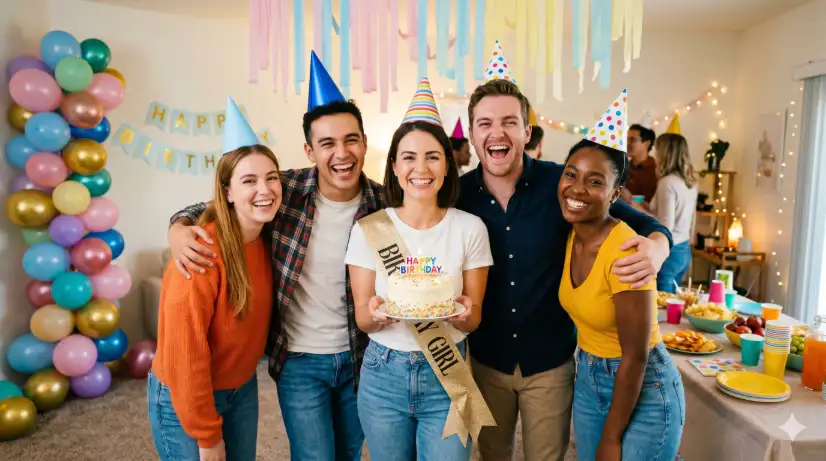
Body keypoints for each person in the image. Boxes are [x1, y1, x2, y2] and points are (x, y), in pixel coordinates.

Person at [457, 42, 673, 461]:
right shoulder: (457, 195)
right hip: (484, 361)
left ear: (527, 132)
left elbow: (646, 224)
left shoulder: (564, 184)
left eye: (509, 122)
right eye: (485, 123)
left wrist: (659, 248)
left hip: (550, 363)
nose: (497, 133)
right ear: (472, 133)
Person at [166, 52, 380, 460]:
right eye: (327, 143)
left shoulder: (384, 206)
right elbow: (216, 205)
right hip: (299, 359)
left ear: (364, 142)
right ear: (310, 150)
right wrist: (178, 228)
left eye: (351, 139)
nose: (341, 153)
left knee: (350, 453)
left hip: (361, 356)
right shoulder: (285, 190)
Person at [346, 77, 494, 460]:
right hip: (383, 373)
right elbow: (363, 318)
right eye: (409, 157)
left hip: (450, 372)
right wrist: (376, 315)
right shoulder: (369, 229)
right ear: (395, 166)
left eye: (432, 156)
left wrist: (463, 314)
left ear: (447, 165)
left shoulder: (471, 228)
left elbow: (473, 319)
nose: (420, 167)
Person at [148, 97, 282, 461]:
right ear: (227, 192)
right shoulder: (200, 253)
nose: (265, 190)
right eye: (249, 181)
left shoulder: (268, 237)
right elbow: (185, 355)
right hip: (186, 394)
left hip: (241, 388)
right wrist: (207, 436)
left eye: (271, 178)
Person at [557, 92, 685, 460]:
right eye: (571, 174)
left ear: (615, 195)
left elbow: (636, 356)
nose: (577, 188)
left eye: (595, 182)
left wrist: (611, 438)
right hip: (589, 375)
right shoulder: (570, 233)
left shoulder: (627, 251)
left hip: (645, 387)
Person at [629, 133, 698, 293]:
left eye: (658, 151)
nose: (656, 156)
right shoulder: (689, 182)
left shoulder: (667, 183)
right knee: (673, 301)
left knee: (662, 300)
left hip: (670, 251)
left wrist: (635, 207)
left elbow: (665, 226)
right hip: (684, 249)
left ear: (665, 153)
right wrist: (644, 205)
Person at [625, 123, 658, 202]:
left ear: (647, 144)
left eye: (632, 140)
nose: (627, 143)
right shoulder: (624, 167)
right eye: (627, 139)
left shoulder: (656, 170)